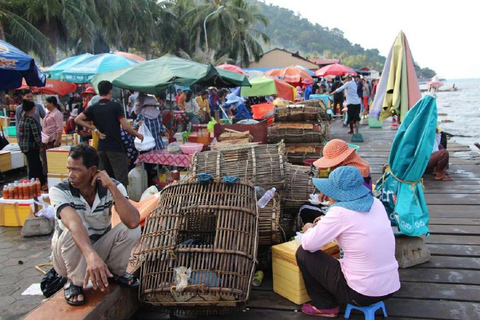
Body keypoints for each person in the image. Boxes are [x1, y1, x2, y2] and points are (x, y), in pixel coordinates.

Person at [296, 166, 400, 317]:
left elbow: (308, 244)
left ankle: (325, 306)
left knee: (303, 253)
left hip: (360, 294)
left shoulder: (339, 213)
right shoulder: (376, 203)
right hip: (390, 286)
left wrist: (310, 228)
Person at [50, 144, 141, 306]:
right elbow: (74, 223)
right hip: (67, 257)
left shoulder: (112, 186)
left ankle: (113, 273)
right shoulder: (59, 190)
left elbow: (133, 221)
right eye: (69, 169)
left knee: (131, 229)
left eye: (76, 170)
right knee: (72, 230)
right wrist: (91, 256)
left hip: (96, 251)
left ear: (93, 170)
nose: (70, 175)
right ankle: (74, 282)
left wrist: (112, 187)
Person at [75, 81, 143, 187]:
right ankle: (121, 202)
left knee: (105, 180)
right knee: (120, 182)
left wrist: (95, 130)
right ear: (110, 92)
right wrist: (137, 134)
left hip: (101, 148)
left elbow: (77, 119)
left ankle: (107, 203)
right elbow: (125, 126)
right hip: (115, 148)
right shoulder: (115, 106)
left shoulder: (93, 107)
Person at [17, 99, 46, 187]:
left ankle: (40, 183)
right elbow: (36, 136)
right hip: (32, 147)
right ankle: (34, 185)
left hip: (25, 147)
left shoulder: (22, 119)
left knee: (34, 165)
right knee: (35, 167)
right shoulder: (31, 120)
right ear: (32, 109)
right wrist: (40, 145)